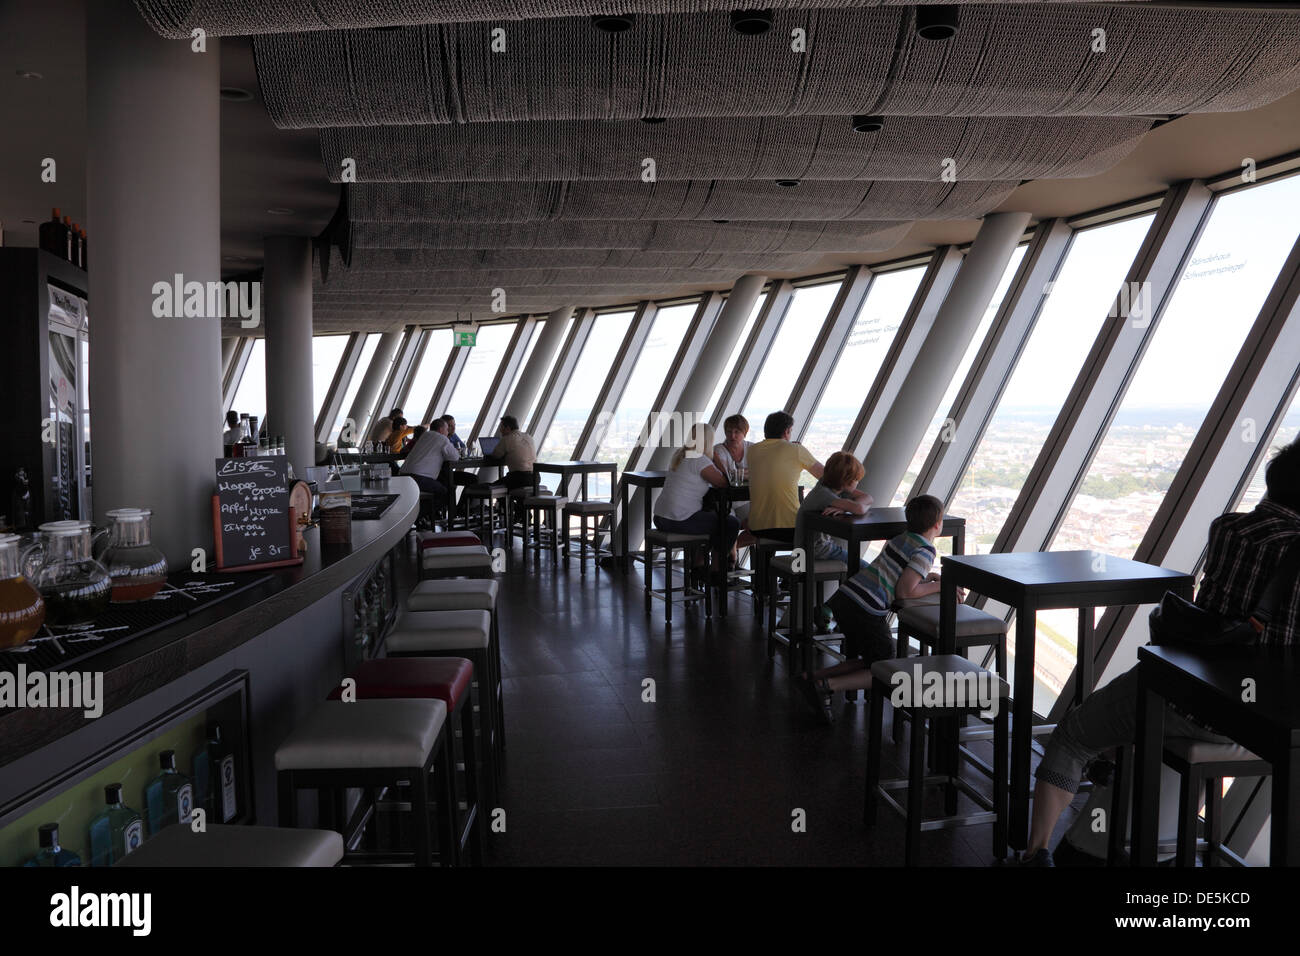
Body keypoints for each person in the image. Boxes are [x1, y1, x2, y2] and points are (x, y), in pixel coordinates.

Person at [1020, 438, 1300, 866]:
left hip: (1182, 696)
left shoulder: (1227, 529)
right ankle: (1142, 833)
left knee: (1074, 737)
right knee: (1150, 739)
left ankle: (1037, 853)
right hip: (1253, 726)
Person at [798, 495, 952, 723]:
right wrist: (942, 585)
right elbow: (905, 592)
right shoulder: (926, 551)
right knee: (885, 665)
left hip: (845, 597)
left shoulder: (901, 538)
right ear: (938, 524)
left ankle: (811, 677)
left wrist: (926, 577)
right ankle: (826, 686)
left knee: (872, 659)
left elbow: (896, 569)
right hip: (866, 608)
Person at [793, 451, 874, 632]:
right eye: (855, 479)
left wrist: (844, 507)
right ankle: (837, 610)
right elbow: (861, 507)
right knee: (867, 571)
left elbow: (868, 498)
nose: (857, 483)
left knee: (858, 568)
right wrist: (848, 507)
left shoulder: (826, 487)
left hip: (809, 549)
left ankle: (832, 607)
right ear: (845, 482)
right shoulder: (826, 496)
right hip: (816, 551)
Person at [653, 422, 740, 576]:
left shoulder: (679, 454)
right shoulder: (700, 459)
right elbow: (724, 482)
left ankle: (699, 564)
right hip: (679, 519)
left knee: (713, 517)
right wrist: (718, 461)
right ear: (708, 441)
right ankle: (716, 569)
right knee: (731, 523)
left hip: (660, 517)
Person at [747, 411, 824, 543]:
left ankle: (768, 563)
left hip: (757, 527)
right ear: (787, 431)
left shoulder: (752, 450)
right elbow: (828, 477)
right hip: (790, 527)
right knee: (823, 536)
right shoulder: (796, 450)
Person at [399, 416, 460, 521]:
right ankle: (413, 518)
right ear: (441, 429)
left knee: (437, 489)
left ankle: (418, 518)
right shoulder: (442, 438)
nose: (447, 432)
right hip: (418, 478)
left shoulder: (424, 435)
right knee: (444, 494)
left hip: (403, 476)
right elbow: (455, 457)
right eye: (446, 429)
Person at [485, 416, 537, 491]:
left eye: (501, 427)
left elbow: (496, 455)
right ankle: (515, 502)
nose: (500, 430)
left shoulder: (507, 439)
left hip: (519, 478)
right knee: (505, 482)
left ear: (508, 428)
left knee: (496, 487)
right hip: (535, 478)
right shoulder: (529, 437)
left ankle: (503, 502)